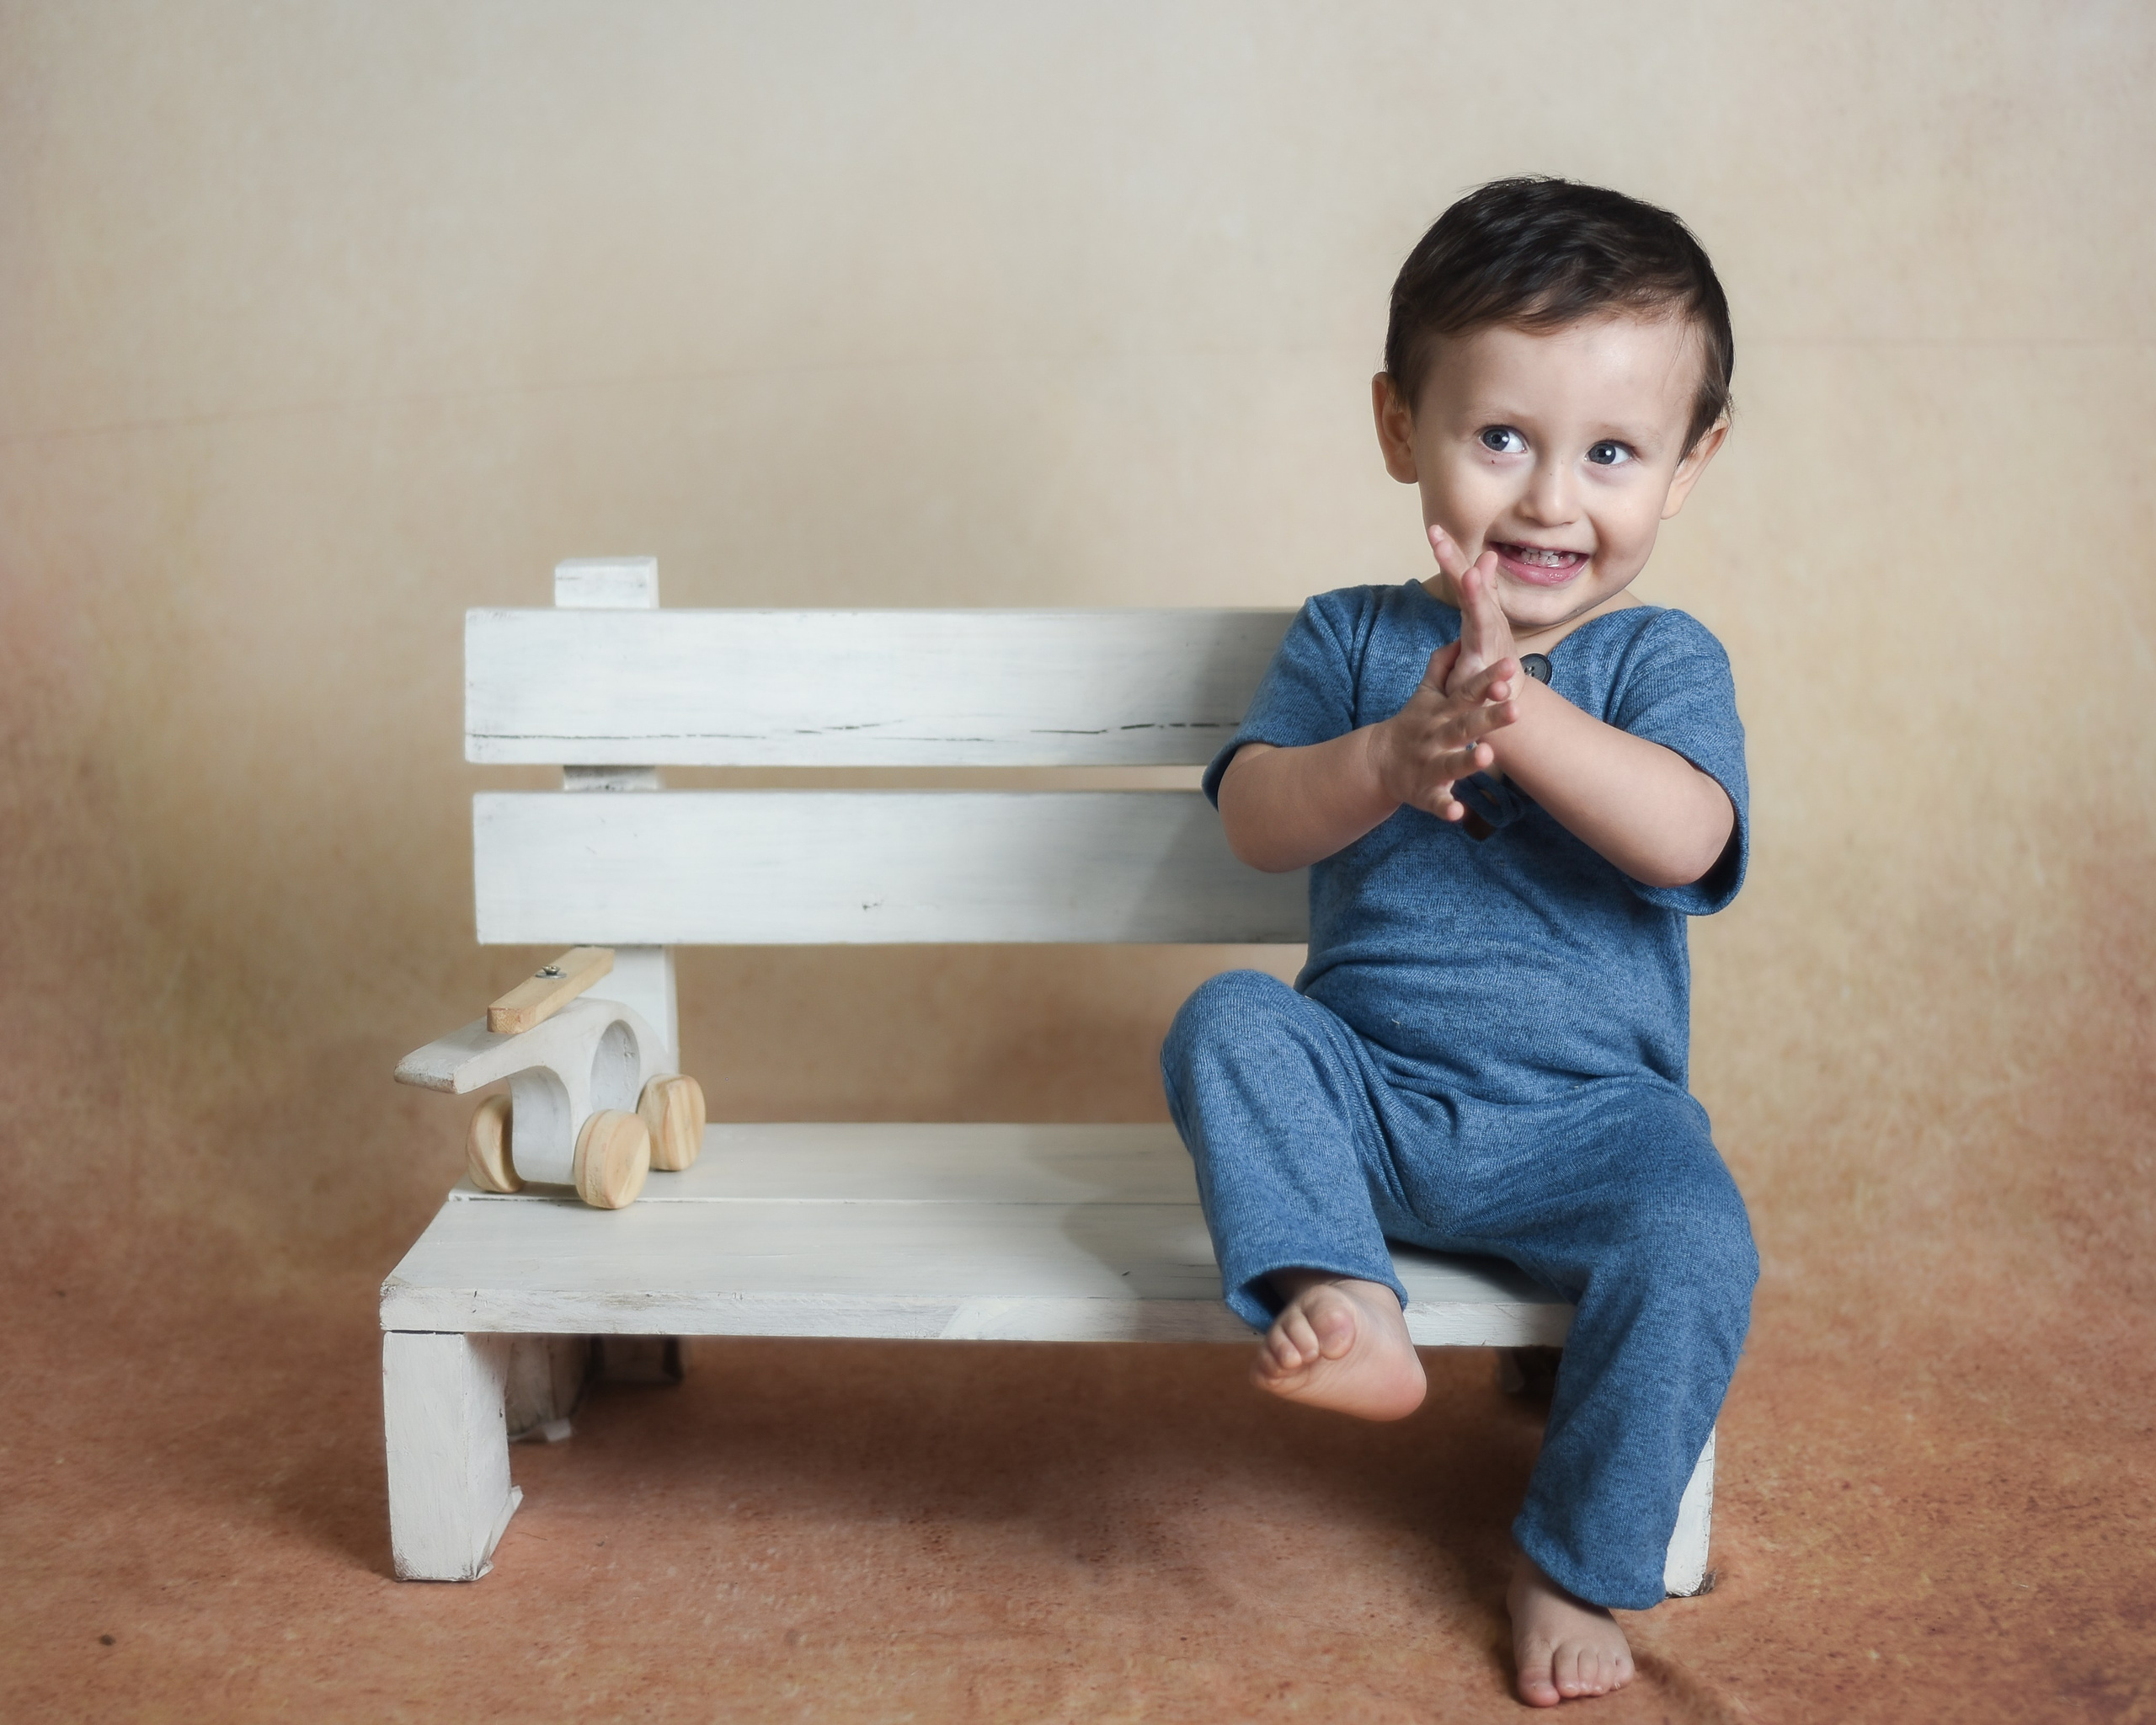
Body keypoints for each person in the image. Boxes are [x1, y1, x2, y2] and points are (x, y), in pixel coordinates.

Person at [1160, 177, 1758, 1708]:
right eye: (1503, 439)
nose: (1554, 501)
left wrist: (1522, 713)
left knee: (1696, 1239)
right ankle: (1345, 1293)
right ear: (1397, 425)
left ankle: (1570, 1555)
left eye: (1613, 453)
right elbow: (1256, 819)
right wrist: (1389, 756)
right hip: (1365, 1098)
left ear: (1689, 468)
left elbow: (1687, 838)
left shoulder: (1658, 661)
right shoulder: (1353, 639)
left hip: (1588, 1128)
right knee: (1229, 1021)